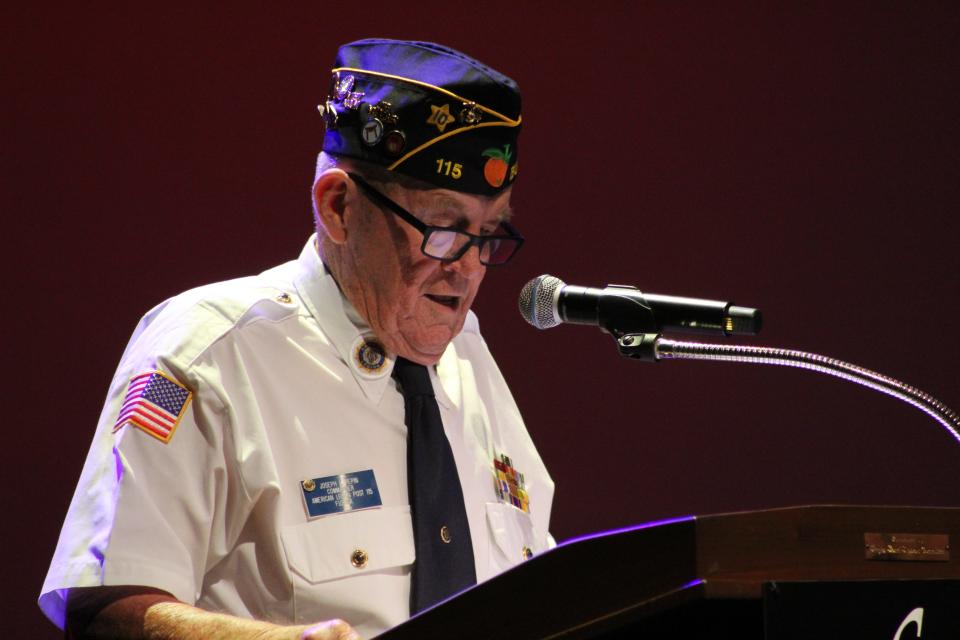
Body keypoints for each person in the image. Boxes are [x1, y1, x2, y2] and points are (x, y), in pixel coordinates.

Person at [39, 39, 554, 640]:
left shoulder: (468, 356)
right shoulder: (206, 352)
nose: (468, 268)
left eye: (490, 232)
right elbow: (104, 610)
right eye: (443, 230)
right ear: (337, 207)